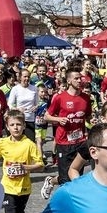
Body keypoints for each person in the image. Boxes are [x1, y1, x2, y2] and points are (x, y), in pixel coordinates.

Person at [40, 64, 91, 199]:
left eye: (80, 78)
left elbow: (88, 117)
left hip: (80, 140)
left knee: (76, 175)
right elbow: (47, 116)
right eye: (76, 78)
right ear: (68, 81)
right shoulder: (60, 97)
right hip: (64, 141)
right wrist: (58, 119)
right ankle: (51, 181)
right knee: (65, 178)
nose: (79, 80)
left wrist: (94, 122)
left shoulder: (86, 98)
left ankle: (74, 201)